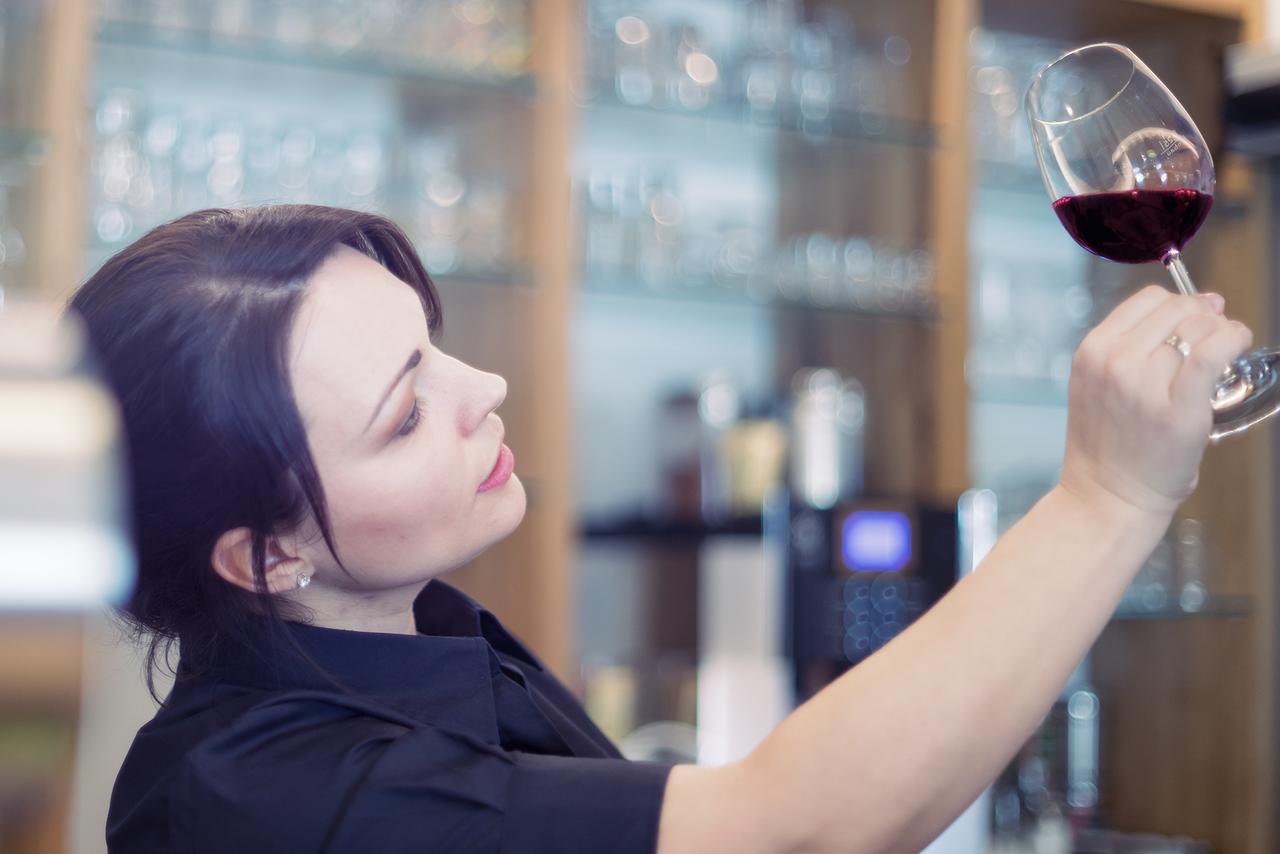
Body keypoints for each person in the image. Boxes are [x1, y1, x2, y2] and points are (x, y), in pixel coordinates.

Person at [69, 204, 1249, 854]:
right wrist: (1111, 493)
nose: (484, 384)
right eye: (407, 409)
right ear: (266, 553)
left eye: (433, 342)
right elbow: (793, 830)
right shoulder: (275, 798)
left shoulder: (416, 631)